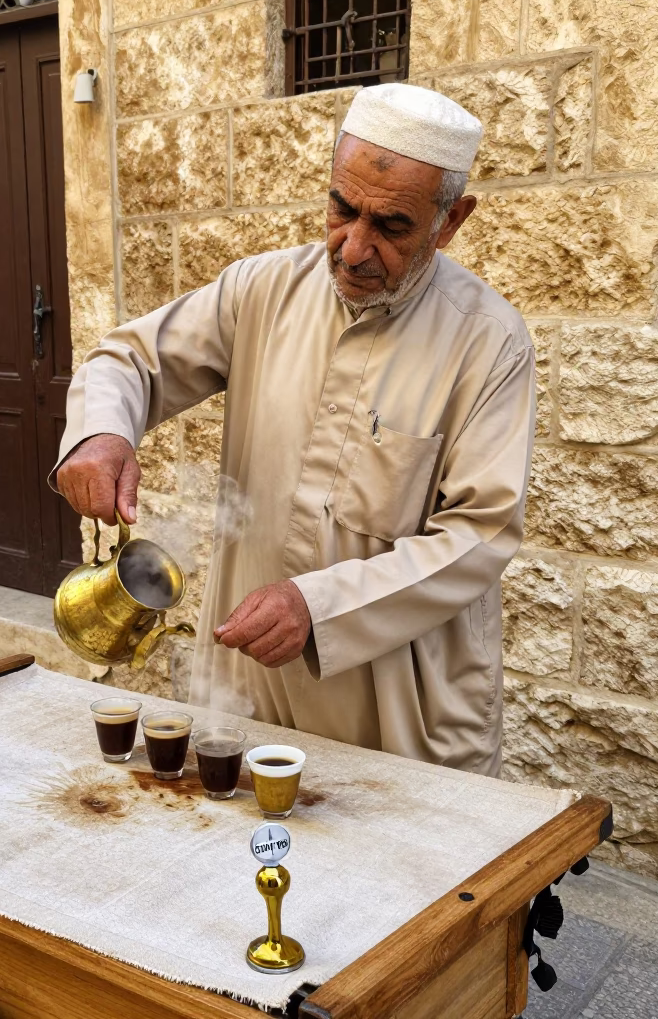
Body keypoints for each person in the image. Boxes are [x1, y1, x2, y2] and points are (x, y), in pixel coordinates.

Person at [53, 83, 535, 776]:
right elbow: (133, 359)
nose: (355, 248)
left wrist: (319, 605)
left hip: (399, 714)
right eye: (342, 209)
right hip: (251, 692)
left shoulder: (489, 342)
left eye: (392, 226)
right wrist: (101, 432)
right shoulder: (261, 289)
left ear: (450, 220)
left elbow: (479, 534)